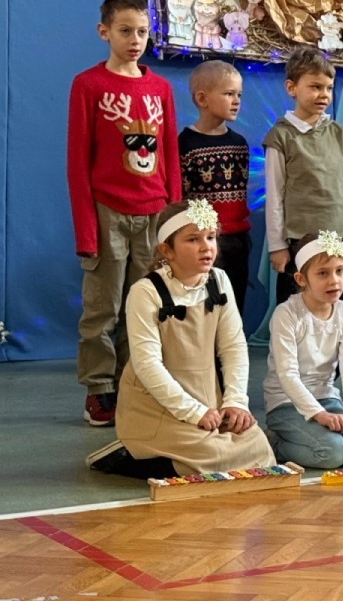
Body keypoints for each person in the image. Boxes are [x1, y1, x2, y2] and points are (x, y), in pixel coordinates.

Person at [86, 199, 274, 477]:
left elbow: (233, 346)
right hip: (157, 405)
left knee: (258, 449)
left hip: (206, 396)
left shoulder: (219, 280)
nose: (206, 247)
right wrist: (193, 412)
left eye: (211, 237)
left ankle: (187, 453)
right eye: (193, 239)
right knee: (211, 456)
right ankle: (125, 455)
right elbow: (147, 365)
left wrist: (235, 402)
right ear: (167, 250)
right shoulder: (145, 292)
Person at [68, 0, 181, 427]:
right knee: (103, 308)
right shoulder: (88, 85)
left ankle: (134, 383)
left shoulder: (160, 89)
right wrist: (87, 231)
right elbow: (78, 162)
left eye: (143, 32)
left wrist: (174, 221)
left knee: (146, 306)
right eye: (125, 31)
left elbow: (169, 155)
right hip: (107, 212)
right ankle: (99, 389)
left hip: (154, 214)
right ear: (104, 32)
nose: (135, 40)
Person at [263, 231, 343, 469]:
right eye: (322, 273)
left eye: (339, 271)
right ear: (301, 279)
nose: (334, 280)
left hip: (327, 398)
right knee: (333, 452)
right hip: (286, 403)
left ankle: (317, 436)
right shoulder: (286, 314)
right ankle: (273, 442)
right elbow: (287, 374)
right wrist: (319, 415)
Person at [264, 47, 343, 307]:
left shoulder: (340, 134)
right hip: (298, 238)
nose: (324, 94)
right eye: (315, 87)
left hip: (338, 236)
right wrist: (277, 245)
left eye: (328, 88)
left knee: (333, 303)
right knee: (294, 305)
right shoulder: (281, 136)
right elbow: (275, 195)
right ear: (292, 88)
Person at [179, 60, 252, 313]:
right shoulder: (186, 144)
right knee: (206, 305)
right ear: (202, 99)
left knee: (235, 304)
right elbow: (182, 197)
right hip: (205, 240)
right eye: (229, 94)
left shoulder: (239, 143)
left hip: (238, 239)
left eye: (239, 95)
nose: (236, 101)